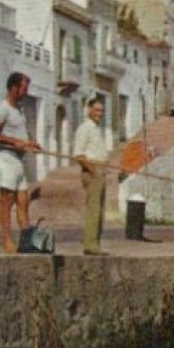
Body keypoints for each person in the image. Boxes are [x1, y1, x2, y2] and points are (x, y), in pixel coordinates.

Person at [0, 71, 40, 253]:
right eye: (23, 88)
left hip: (18, 159)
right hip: (5, 158)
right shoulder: (3, 109)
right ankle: (7, 240)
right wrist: (13, 141)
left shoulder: (19, 110)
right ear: (14, 88)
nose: (25, 92)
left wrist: (30, 142)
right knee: (7, 200)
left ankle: (26, 241)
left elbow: (20, 134)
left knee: (24, 200)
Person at [70, 94, 109, 256]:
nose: (99, 113)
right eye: (96, 110)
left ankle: (96, 243)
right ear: (89, 110)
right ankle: (90, 244)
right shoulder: (84, 128)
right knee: (93, 208)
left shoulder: (96, 128)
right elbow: (78, 155)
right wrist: (94, 171)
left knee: (99, 209)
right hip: (92, 172)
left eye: (101, 111)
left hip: (100, 171)